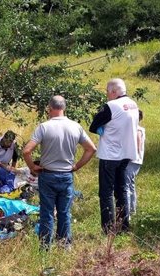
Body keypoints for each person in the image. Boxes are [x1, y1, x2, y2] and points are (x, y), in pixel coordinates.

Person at [23, 95, 96, 250]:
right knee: (64, 212)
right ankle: (65, 245)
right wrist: (76, 166)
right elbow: (91, 149)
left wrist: (32, 167)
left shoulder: (44, 127)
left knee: (47, 212)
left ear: (50, 108)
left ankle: (45, 247)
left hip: (48, 175)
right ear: (64, 108)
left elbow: (26, 151)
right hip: (66, 175)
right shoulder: (75, 126)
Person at [89, 78, 139, 233]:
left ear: (114, 92)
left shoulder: (111, 106)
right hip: (127, 153)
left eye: (107, 91)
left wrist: (101, 129)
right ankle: (124, 225)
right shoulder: (133, 105)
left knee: (106, 192)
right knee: (121, 189)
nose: (106, 95)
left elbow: (93, 126)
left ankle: (109, 228)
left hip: (110, 155)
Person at [125, 110, 145, 214]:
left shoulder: (137, 130)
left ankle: (127, 212)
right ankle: (132, 210)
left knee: (126, 185)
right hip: (136, 160)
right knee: (131, 184)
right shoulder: (138, 129)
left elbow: (138, 146)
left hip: (132, 160)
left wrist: (129, 156)